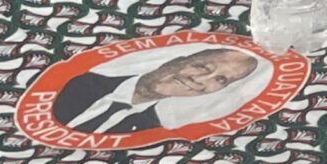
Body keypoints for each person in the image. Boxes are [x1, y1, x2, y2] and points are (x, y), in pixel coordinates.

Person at [49, 46, 267, 136]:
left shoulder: (151, 126)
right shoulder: (79, 86)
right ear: (176, 60)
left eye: (220, 80)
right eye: (202, 67)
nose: (200, 80)